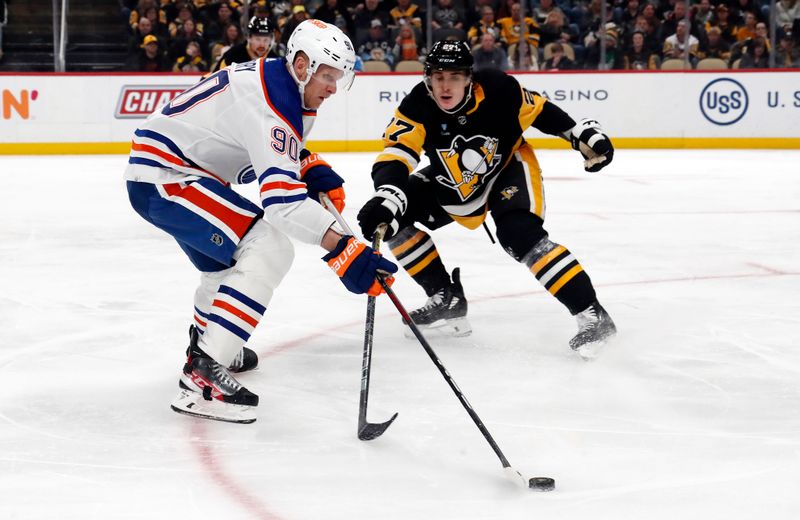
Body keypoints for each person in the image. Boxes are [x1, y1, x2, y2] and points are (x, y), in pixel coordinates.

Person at [125, 20, 397, 424]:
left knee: (227, 265)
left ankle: (212, 344)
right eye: (327, 76)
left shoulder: (283, 85)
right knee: (268, 246)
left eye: (339, 77)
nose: (333, 87)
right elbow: (282, 205)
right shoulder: (274, 102)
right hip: (168, 177)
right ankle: (203, 377)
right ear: (302, 65)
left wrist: (306, 163)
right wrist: (345, 249)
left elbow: (256, 144)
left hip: (178, 173)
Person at [356, 40, 616, 359]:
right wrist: (389, 192)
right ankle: (446, 299)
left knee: (519, 236)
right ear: (427, 79)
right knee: (394, 218)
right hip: (453, 179)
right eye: (438, 77)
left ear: (470, 78)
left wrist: (578, 134)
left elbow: (539, 110)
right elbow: (396, 153)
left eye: (453, 77)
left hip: (508, 169)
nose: (445, 86)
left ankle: (592, 315)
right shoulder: (417, 103)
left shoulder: (498, 88)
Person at [213, 15, 279, 71]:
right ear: (249, 38)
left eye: (266, 40)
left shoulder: (275, 61)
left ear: (271, 40)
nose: (262, 44)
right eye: (257, 39)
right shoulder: (232, 56)